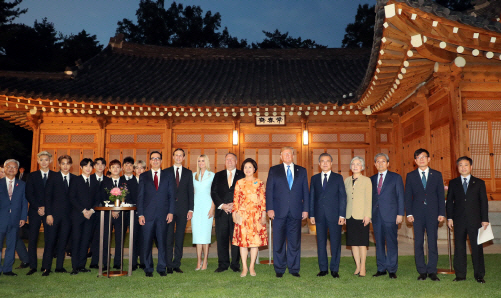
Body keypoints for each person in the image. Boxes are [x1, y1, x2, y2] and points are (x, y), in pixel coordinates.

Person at [266, 146, 309, 278]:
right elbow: (269, 191)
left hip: (296, 212)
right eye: (284, 154)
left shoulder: (301, 171)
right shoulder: (274, 170)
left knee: (294, 242)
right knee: (278, 242)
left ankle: (294, 268)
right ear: (280, 156)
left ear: (293, 155)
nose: (287, 156)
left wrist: (306, 209)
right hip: (278, 212)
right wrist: (270, 208)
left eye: (289, 154)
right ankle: (279, 269)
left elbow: (305, 192)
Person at [446, 156, 489, 283]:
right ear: (457, 167)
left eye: (466, 165)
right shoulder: (453, 183)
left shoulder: (479, 183)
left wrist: (485, 219)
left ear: (471, 167)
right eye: (460, 165)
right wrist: (449, 217)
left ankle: (479, 275)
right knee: (459, 247)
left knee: (477, 248)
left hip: (475, 220)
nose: (463, 167)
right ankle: (460, 275)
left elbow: (483, 202)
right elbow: (449, 202)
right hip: (458, 220)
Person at [405, 148, 445, 281]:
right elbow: (407, 197)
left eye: (424, 157)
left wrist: (441, 213)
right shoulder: (410, 176)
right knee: (418, 243)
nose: (421, 159)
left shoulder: (437, 174)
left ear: (429, 159)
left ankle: (432, 271)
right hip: (417, 214)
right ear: (415, 161)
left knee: (432, 242)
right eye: (418, 157)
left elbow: (440, 195)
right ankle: (422, 271)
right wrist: (409, 213)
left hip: (433, 213)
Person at [137, 151, 175, 277]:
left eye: (158, 158)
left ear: (161, 161)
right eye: (153, 158)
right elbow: (140, 197)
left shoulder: (168, 176)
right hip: (147, 215)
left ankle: (161, 267)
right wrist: (140, 214)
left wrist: (170, 212)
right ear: (150, 161)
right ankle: (148, 268)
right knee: (147, 243)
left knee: (162, 242)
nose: (155, 160)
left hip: (163, 215)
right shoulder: (144, 176)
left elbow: (171, 196)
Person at [309, 153, 346, 278]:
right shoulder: (314, 178)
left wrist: (342, 215)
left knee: (335, 243)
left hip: (335, 216)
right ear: (319, 164)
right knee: (321, 243)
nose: (325, 163)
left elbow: (342, 197)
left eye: (328, 161)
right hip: (319, 215)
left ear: (331, 163)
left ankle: (334, 269)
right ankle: (323, 269)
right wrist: (312, 214)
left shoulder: (338, 178)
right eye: (322, 161)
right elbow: (312, 198)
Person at [370, 153, 404, 279]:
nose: (380, 163)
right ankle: (381, 268)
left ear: (388, 163)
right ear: (374, 164)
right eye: (378, 161)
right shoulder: (371, 179)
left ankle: (392, 269)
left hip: (391, 215)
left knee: (391, 242)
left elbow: (400, 196)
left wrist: (400, 214)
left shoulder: (396, 177)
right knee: (378, 243)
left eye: (383, 161)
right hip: (376, 216)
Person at [232, 158, 267, 277]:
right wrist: (234, 213)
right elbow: (235, 200)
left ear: (254, 169)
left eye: (250, 167)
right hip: (242, 216)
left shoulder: (260, 183)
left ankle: (252, 266)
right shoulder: (239, 182)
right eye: (245, 167)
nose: (247, 169)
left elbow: (263, 201)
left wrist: (263, 215)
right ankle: (244, 268)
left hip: (256, 216)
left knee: (254, 243)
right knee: (243, 243)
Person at [41, 155, 76, 276]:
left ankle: (59, 267)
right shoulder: (53, 177)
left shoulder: (74, 178)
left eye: (68, 163)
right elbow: (48, 197)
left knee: (63, 242)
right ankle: (46, 267)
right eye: (63, 163)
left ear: (71, 165)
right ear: (59, 165)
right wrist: (49, 214)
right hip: (53, 215)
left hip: (68, 217)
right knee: (50, 242)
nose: (65, 166)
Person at [211, 153, 243, 273]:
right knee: (222, 238)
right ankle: (223, 264)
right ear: (225, 161)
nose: (229, 161)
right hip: (222, 212)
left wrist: (235, 205)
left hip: (237, 212)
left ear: (236, 161)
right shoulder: (218, 175)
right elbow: (213, 192)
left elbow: (245, 193)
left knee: (236, 239)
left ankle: (235, 264)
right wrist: (222, 205)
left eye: (232, 159)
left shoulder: (242, 174)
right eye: (227, 159)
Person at [25, 151, 55, 275]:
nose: (44, 162)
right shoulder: (32, 176)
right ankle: (33, 266)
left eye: (46, 160)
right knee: (33, 239)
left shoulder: (55, 176)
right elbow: (29, 194)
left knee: (49, 239)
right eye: (41, 160)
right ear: (38, 161)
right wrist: (38, 207)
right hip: (34, 212)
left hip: (50, 213)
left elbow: (56, 196)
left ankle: (46, 267)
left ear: (50, 161)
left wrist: (47, 209)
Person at [69, 158, 100, 275]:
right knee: (76, 240)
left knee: (86, 242)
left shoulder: (95, 181)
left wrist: (91, 211)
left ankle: (82, 265)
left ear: (92, 168)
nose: (88, 168)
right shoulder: (75, 180)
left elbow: (98, 198)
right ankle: (74, 267)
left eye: (90, 166)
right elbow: (72, 197)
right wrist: (83, 211)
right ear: (81, 168)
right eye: (85, 166)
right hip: (78, 215)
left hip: (90, 216)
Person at [165, 149, 194, 274]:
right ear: (173, 157)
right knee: (168, 237)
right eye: (176, 155)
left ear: (183, 158)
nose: (178, 157)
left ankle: (177, 263)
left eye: (180, 155)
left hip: (183, 210)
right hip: (168, 210)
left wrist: (190, 209)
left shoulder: (188, 173)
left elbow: (190, 193)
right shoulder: (165, 172)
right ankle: (168, 264)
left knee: (180, 237)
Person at [95, 159, 127, 270]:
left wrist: (118, 209)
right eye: (113, 167)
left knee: (120, 239)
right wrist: (112, 209)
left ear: (121, 169)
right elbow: (101, 198)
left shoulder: (124, 182)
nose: (115, 169)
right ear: (109, 169)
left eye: (118, 167)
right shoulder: (105, 182)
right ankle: (105, 262)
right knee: (105, 239)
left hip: (121, 215)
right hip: (107, 214)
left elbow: (128, 197)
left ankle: (118, 262)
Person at [344, 156, 372, 277]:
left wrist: (368, 215)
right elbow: (344, 200)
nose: (355, 166)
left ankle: (363, 267)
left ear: (362, 167)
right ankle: (357, 266)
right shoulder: (346, 180)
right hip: (349, 216)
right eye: (353, 164)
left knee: (362, 243)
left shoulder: (367, 180)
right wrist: (343, 215)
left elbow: (369, 199)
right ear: (350, 167)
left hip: (362, 216)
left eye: (358, 164)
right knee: (353, 243)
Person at [0, 159, 28, 276]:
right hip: (1, 218)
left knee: (11, 245)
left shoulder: (22, 185)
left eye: (14, 167)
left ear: (17, 170)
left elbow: (24, 202)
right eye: (9, 167)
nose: (11, 169)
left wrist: (23, 217)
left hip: (15, 219)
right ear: (5, 169)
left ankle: (7, 269)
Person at [192, 154, 215, 271]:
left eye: (203, 161)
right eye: (199, 161)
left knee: (205, 235)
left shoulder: (212, 176)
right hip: (196, 208)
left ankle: (205, 261)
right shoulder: (193, 176)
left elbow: (214, 194)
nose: (201, 163)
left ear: (207, 162)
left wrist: (212, 208)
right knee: (197, 235)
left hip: (207, 207)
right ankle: (198, 261)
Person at [89, 157, 109, 267]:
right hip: (91, 213)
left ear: (105, 167)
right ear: (94, 166)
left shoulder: (108, 180)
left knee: (105, 238)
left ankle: (105, 262)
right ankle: (94, 262)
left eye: (102, 164)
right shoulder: (89, 179)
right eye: (97, 164)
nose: (100, 166)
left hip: (105, 213)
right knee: (93, 238)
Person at [122, 157, 140, 270]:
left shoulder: (137, 180)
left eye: (130, 165)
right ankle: (118, 262)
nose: (128, 167)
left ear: (133, 167)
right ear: (123, 167)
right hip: (122, 213)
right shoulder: (119, 180)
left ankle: (134, 262)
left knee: (135, 238)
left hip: (135, 212)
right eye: (126, 165)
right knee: (120, 238)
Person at [133, 159, 146, 269]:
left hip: (145, 214)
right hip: (133, 213)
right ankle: (133, 262)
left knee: (144, 238)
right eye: (137, 168)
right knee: (133, 238)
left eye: (142, 168)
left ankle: (143, 261)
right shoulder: (130, 181)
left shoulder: (148, 180)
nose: (139, 170)